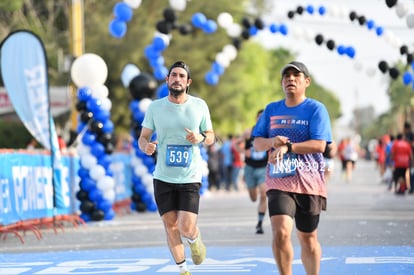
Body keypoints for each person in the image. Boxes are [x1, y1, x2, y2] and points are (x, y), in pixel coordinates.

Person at [252, 61, 332, 275]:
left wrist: (288, 147)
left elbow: (320, 145)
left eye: (296, 75)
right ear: (282, 82)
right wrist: (271, 143)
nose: (290, 79)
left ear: (307, 81)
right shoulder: (271, 109)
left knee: (308, 239)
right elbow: (257, 142)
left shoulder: (316, 109)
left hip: (309, 183)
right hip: (279, 180)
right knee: (281, 233)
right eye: (286, 76)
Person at [138, 61, 215, 275]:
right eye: (174, 75)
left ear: (188, 82)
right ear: (167, 80)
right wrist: (146, 146)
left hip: (189, 177)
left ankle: (195, 238)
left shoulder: (199, 105)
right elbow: (143, 137)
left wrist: (200, 137)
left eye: (182, 76)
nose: (177, 79)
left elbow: (211, 136)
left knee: (186, 227)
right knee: (170, 225)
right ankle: (183, 270)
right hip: (163, 176)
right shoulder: (155, 107)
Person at [244, 109, 268, 234]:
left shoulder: (269, 132)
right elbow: (237, 144)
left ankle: (260, 223)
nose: (260, 119)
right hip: (250, 168)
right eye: (259, 117)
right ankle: (254, 192)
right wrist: (244, 151)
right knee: (253, 197)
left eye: (263, 117)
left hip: (264, 167)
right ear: (256, 118)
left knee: (264, 194)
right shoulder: (249, 132)